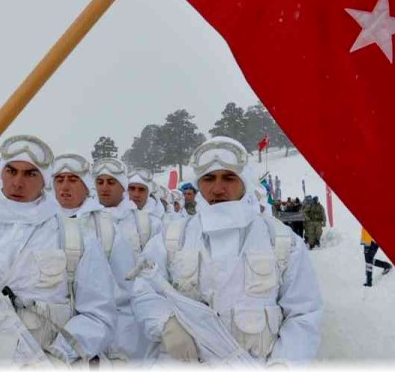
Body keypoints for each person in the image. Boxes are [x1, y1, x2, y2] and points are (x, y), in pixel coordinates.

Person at [130, 137, 321, 365]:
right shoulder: (172, 237)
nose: (218, 188)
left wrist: (284, 364)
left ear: (245, 181)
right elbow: (143, 289)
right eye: (208, 178)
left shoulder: (280, 240)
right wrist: (165, 322)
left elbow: (303, 314)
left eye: (229, 177)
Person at [0, 136, 115, 365]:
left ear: (45, 181)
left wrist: (59, 355)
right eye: (11, 171)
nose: (18, 182)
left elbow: (98, 315)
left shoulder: (75, 238)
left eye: (30, 174)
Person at [50, 153, 149, 362]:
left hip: (98, 347)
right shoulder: (43, 227)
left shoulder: (107, 230)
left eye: (73, 179)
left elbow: (124, 295)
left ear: (86, 186)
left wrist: (120, 351)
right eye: (59, 180)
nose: (65, 186)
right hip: (49, 343)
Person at [94, 158, 161, 253]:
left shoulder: (150, 224)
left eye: (111, 182)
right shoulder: (84, 220)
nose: (104, 188)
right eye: (100, 182)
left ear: (123, 186)